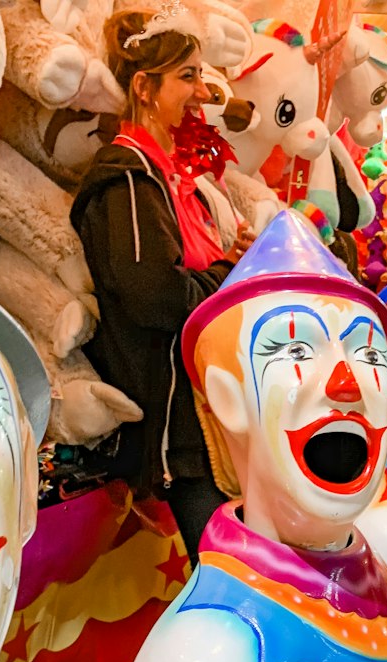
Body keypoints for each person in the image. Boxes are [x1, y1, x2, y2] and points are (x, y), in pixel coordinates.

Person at [71, 8, 253, 560]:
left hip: (198, 418)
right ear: (145, 88)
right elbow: (156, 295)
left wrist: (224, 263)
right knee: (222, 574)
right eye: (188, 76)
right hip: (176, 426)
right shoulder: (127, 176)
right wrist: (229, 275)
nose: (203, 91)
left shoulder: (168, 176)